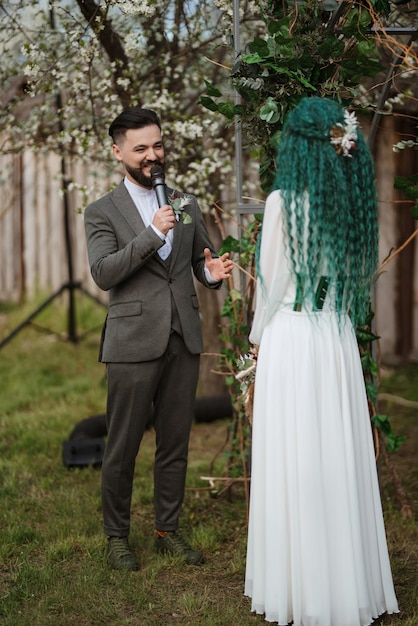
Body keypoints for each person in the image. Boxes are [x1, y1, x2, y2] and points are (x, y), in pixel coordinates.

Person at [244, 97, 399, 625]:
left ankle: (299, 586)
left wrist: (256, 344)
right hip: (333, 342)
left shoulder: (281, 204)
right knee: (335, 457)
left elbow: (271, 291)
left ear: (297, 148)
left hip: (291, 340)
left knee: (296, 460)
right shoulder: (350, 203)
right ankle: (345, 580)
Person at [84, 107, 233, 571]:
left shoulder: (186, 204)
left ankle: (168, 529)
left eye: (158, 145)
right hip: (131, 340)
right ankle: (117, 537)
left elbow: (196, 262)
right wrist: (151, 234)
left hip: (182, 337)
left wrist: (209, 276)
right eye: (141, 148)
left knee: (175, 441)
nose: (153, 156)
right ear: (118, 152)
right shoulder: (101, 211)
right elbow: (104, 272)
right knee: (123, 443)